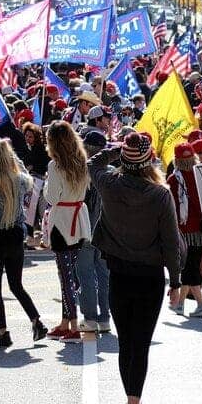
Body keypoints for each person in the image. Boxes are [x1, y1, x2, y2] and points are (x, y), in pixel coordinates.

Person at [89, 131, 184, 404]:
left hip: (118, 273)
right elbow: (171, 241)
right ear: (149, 161)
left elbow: (94, 162)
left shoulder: (109, 185)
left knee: (127, 342)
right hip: (150, 277)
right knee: (140, 343)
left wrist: (118, 149)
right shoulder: (159, 194)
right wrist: (177, 279)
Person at [0, 139, 48, 346]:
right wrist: (14, 159)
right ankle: (36, 321)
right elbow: (29, 179)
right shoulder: (20, 180)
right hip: (16, 234)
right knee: (16, 284)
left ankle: (3, 331)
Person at [44, 121, 92, 343]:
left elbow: (52, 197)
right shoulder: (82, 162)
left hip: (62, 222)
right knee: (70, 275)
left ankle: (73, 324)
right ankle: (66, 323)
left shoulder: (55, 166)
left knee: (66, 277)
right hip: (78, 220)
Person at [167, 142, 202, 318]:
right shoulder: (201, 175)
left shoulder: (173, 180)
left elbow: (171, 208)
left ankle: (200, 304)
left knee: (188, 269)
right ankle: (181, 304)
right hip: (200, 231)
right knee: (191, 268)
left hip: (183, 231)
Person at [76, 131, 111, 333]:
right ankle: (104, 317)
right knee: (103, 273)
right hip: (106, 228)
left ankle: (90, 317)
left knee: (85, 272)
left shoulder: (85, 171)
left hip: (87, 228)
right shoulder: (110, 171)